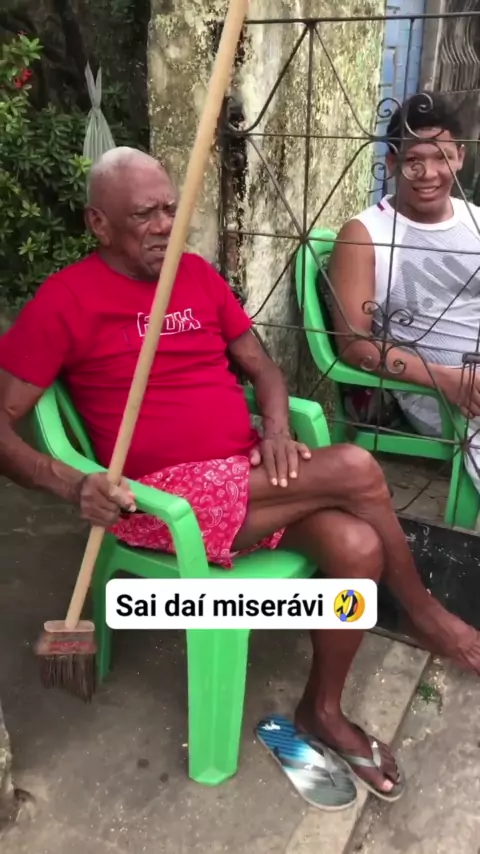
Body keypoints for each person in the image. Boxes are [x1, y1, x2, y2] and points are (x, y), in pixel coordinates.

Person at [0, 147, 479, 805]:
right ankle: (424, 614)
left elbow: (264, 369)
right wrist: (70, 484)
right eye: (144, 215)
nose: (165, 226)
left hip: (244, 475)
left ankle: (321, 710)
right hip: (159, 500)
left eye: (171, 210)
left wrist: (277, 429)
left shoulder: (195, 276)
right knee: (354, 466)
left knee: (358, 544)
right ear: (98, 223)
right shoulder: (66, 301)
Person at [328, 91, 480, 493]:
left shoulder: (475, 221)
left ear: (460, 157)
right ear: (393, 163)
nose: (428, 173)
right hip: (443, 395)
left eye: (442, 157)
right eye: (414, 160)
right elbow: (354, 346)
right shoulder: (365, 235)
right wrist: (447, 380)